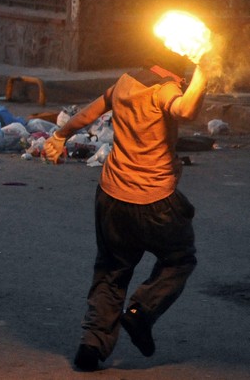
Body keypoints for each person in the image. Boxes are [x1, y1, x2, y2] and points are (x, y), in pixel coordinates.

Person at [44, 42, 209, 372]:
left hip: (112, 196)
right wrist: (206, 67)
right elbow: (187, 110)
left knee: (111, 271)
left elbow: (89, 113)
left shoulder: (124, 81)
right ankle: (140, 313)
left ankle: (91, 346)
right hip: (155, 202)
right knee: (179, 259)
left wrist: (59, 136)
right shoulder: (165, 90)